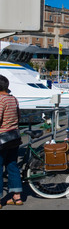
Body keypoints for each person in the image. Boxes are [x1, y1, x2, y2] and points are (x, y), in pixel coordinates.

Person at [0, 75, 23, 207]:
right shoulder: (13, 99)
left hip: (2, 138)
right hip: (14, 137)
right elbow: (19, 117)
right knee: (12, 165)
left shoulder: (0, 100)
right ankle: (17, 196)